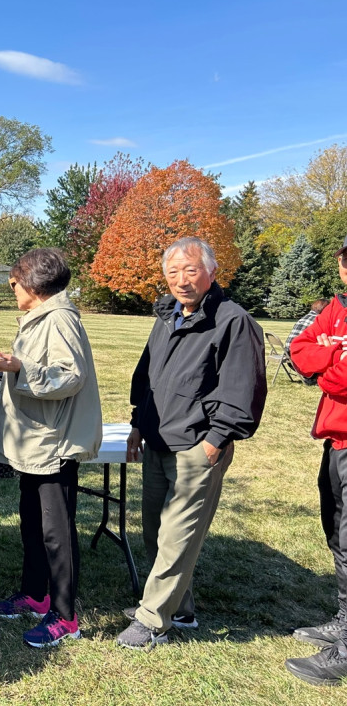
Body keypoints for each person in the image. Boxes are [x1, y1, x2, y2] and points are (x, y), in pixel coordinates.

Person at [118, 236, 267, 651]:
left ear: (212, 272)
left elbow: (244, 387)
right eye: (173, 272)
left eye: (191, 270)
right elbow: (147, 375)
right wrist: (138, 423)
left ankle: (152, 621)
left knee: (179, 535)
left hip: (198, 446)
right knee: (155, 530)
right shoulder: (167, 315)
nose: (182, 280)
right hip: (158, 439)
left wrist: (216, 440)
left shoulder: (233, 320)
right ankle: (180, 609)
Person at [0, 248, 102, 647]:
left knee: (57, 533)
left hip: (53, 444)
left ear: (33, 284)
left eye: (14, 283)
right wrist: (10, 365)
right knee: (33, 524)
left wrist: (19, 368)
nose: (12, 289)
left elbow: (70, 376)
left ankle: (66, 617)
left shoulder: (59, 318)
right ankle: (36, 595)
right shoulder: (41, 317)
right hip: (34, 441)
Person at [286, 238, 347, 686]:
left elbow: (340, 379)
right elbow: (299, 349)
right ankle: (344, 622)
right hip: (335, 438)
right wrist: (332, 353)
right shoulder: (337, 307)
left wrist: (327, 361)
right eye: (346, 258)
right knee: (337, 533)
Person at [286, 299, 330, 385]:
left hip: (287, 354)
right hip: (298, 359)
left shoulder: (304, 318)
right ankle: (314, 377)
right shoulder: (318, 320)